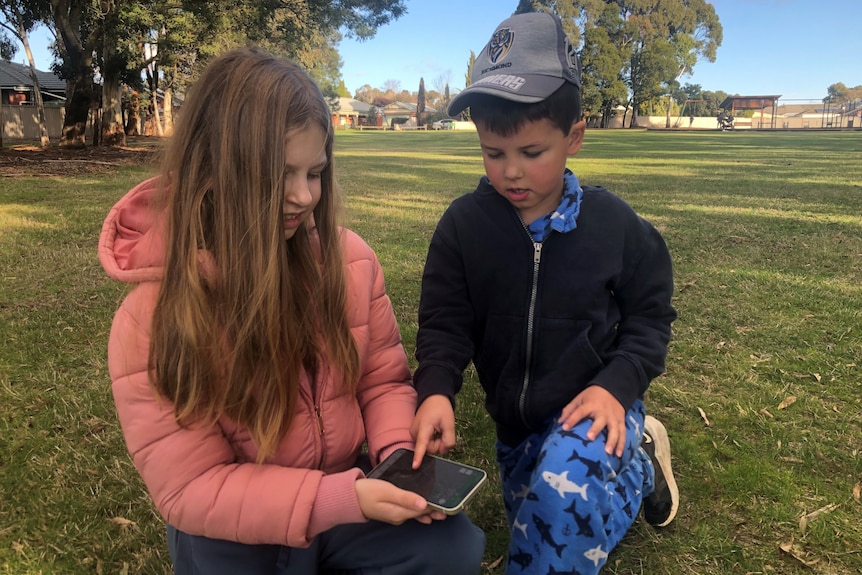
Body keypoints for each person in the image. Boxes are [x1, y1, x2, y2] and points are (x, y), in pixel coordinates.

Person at [99, 46, 485, 575]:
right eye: (281, 174)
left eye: (315, 172)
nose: (303, 196)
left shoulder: (351, 262)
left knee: (455, 548)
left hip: (351, 492)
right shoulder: (152, 318)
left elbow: (383, 381)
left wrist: (398, 460)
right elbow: (191, 486)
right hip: (236, 526)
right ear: (214, 169)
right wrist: (339, 498)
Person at [410, 13, 679, 575]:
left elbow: (650, 317)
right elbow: (444, 321)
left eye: (531, 153)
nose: (510, 172)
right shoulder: (463, 226)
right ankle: (641, 468)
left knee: (557, 518)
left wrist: (617, 385)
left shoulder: (615, 226)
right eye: (492, 152)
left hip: (594, 403)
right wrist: (436, 389)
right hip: (519, 428)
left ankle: (624, 437)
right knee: (552, 517)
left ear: (573, 137)